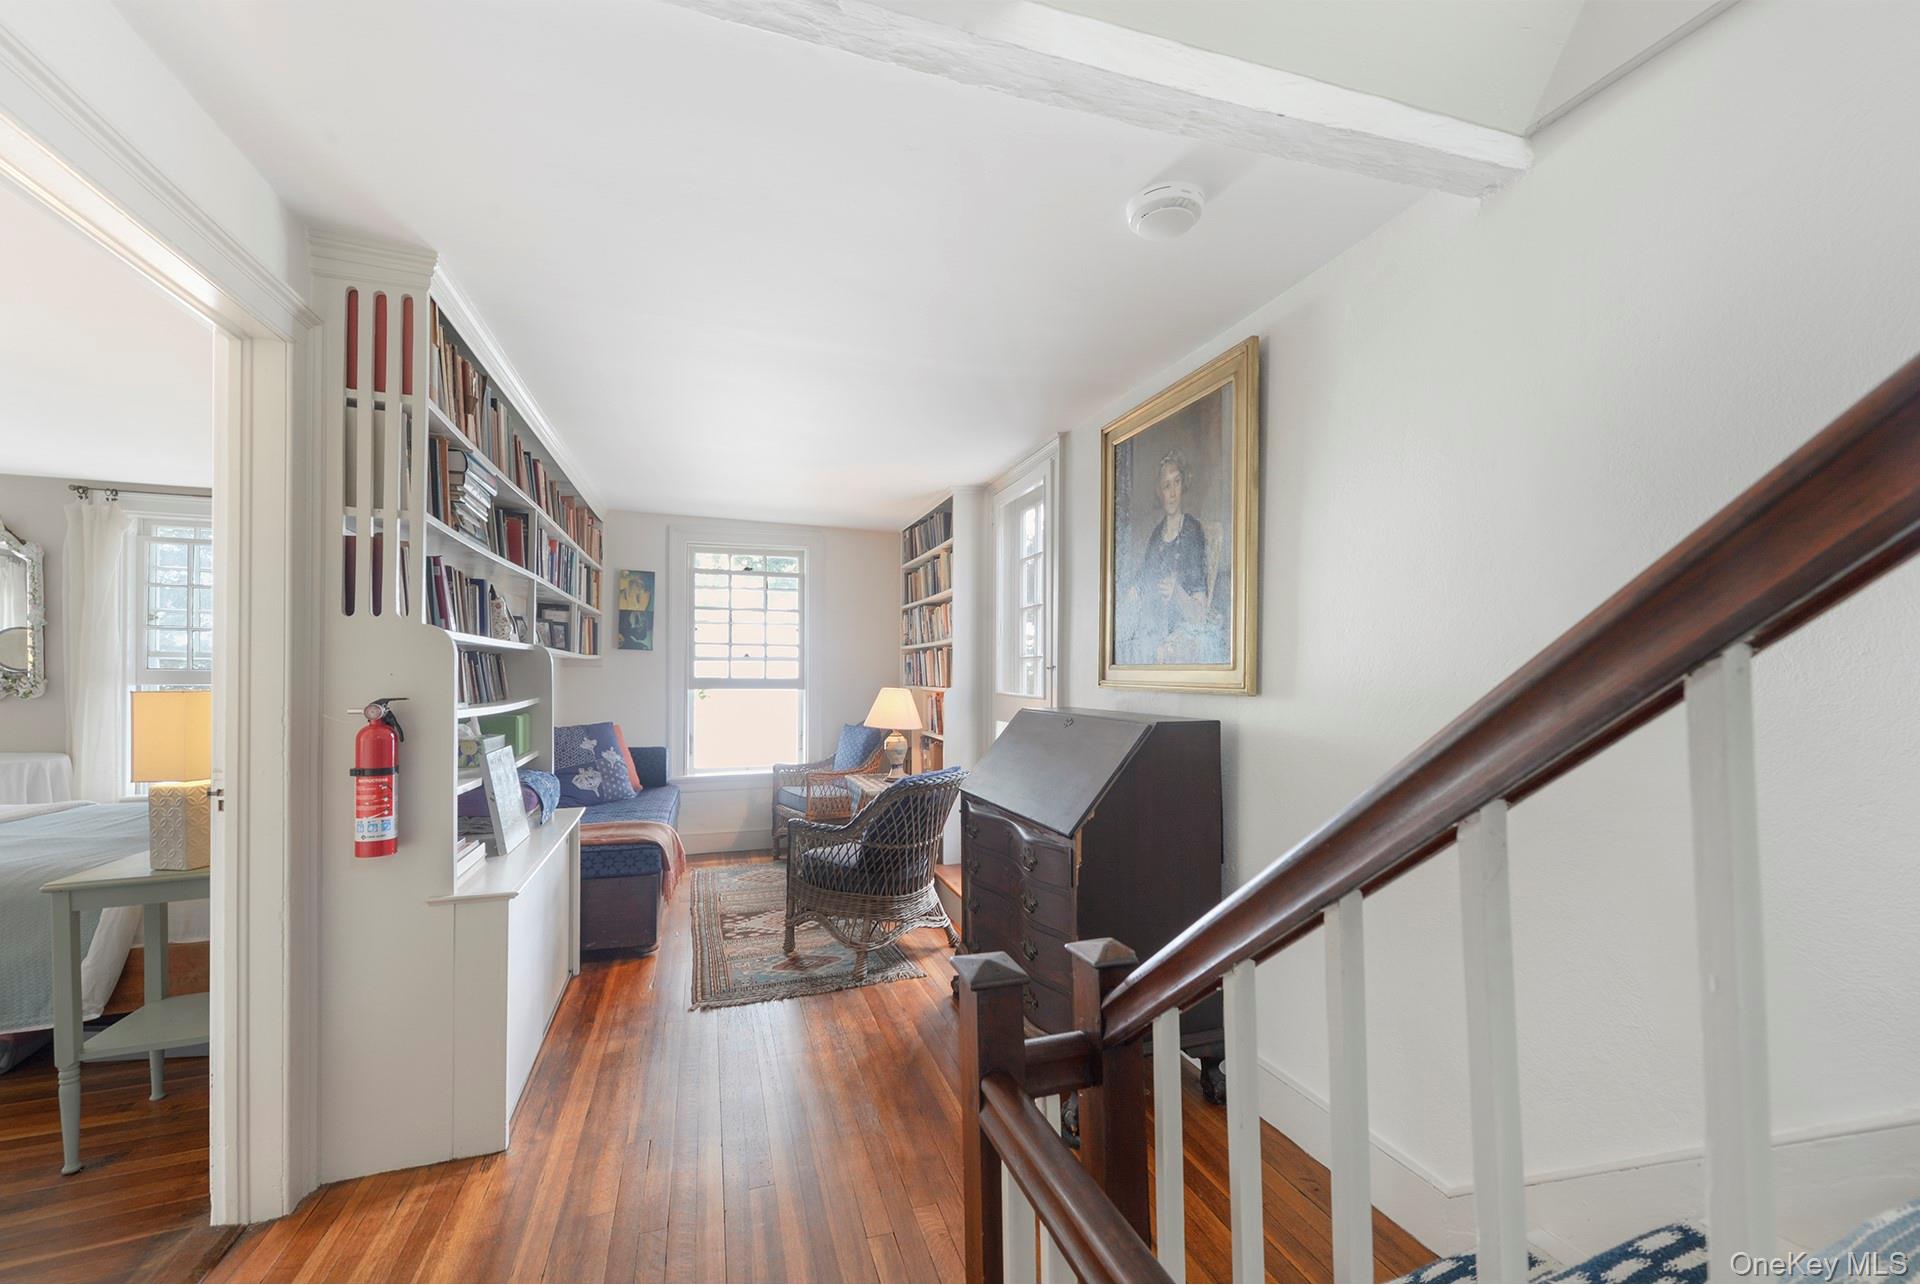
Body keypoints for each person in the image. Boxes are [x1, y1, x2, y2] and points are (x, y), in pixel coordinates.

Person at [1119, 449, 1221, 664]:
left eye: (1176, 482)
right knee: (1128, 646)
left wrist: (1177, 593)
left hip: (1182, 628)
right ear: (1160, 492)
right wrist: (1133, 592)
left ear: (1184, 486)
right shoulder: (1157, 535)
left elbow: (1199, 613)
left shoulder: (1192, 531)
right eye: (1167, 486)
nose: (1172, 492)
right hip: (1155, 622)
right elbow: (1143, 579)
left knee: (1159, 651)